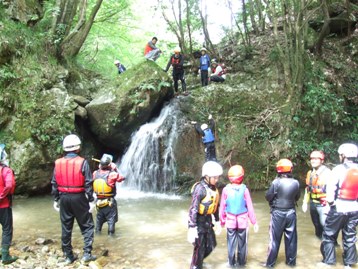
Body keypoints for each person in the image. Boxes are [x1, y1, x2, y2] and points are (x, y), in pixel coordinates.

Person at [51, 134, 96, 264]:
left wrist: (56, 199)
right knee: (87, 225)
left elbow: (54, 182)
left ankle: (68, 255)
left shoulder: (58, 163)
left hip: (64, 198)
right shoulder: (82, 162)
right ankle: (87, 254)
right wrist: (91, 200)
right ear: (77, 148)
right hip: (79, 197)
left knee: (66, 227)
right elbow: (88, 182)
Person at [320, 143, 358, 267]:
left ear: (343, 155)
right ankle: (349, 263)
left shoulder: (338, 169)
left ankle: (329, 262)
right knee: (350, 236)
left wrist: (331, 203)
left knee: (329, 235)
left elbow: (331, 190)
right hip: (355, 209)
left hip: (339, 207)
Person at [219, 164, 259, 268]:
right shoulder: (244, 190)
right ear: (242, 177)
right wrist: (254, 222)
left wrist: (221, 222)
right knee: (242, 245)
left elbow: (222, 207)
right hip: (242, 222)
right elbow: (249, 206)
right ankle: (241, 264)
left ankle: (231, 263)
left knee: (231, 244)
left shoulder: (225, 190)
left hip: (230, 221)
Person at [264, 158, 300, 268]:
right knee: (291, 239)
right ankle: (291, 263)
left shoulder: (276, 182)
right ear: (290, 169)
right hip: (291, 213)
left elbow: (268, 196)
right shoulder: (296, 182)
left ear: (278, 170)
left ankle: (270, 264)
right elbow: (297, 197)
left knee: (274, 239)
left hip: (278, 213)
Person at [188, 161, 223, 269]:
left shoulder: (213, 189)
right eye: (215, 178)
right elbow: (193, 208)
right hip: (198, 221)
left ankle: (198, 262)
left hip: (207, 220)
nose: (217, 180)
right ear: (207, 176)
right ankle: (195, 265)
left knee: (212, 245)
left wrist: (217, 221)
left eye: (217, 177)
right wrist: (192, 227)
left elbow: (216, 206)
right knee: (200, 247)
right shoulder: (200, 189)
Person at [302, 150, 332, 240]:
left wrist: (329, 204)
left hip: (323, 204)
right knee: (317, 227)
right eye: (312, 159)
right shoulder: (310, 173)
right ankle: (319, 244)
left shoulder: (328, 173)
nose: (313, 161)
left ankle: (332, 246)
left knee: (326, 227)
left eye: (316, 159)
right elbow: (308, 189)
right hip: (313, 203)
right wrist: (304, 202)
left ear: (322, 160)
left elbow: (333, 189)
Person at [93, 154, 125, 236]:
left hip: (98, 203)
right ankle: (111, 238)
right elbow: (122, 178)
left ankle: (97, 237)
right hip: (109, 203)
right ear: (109, 165)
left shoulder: (95, 173)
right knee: (111, 222)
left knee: (98, 224)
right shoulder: (112, 174)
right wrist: (115, 169)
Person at [0, 144, 18, 265]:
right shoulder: (5, 170)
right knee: (7, 229)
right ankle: (5, 255)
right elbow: (10, 185)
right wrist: (2, 195)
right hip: (3, 205)